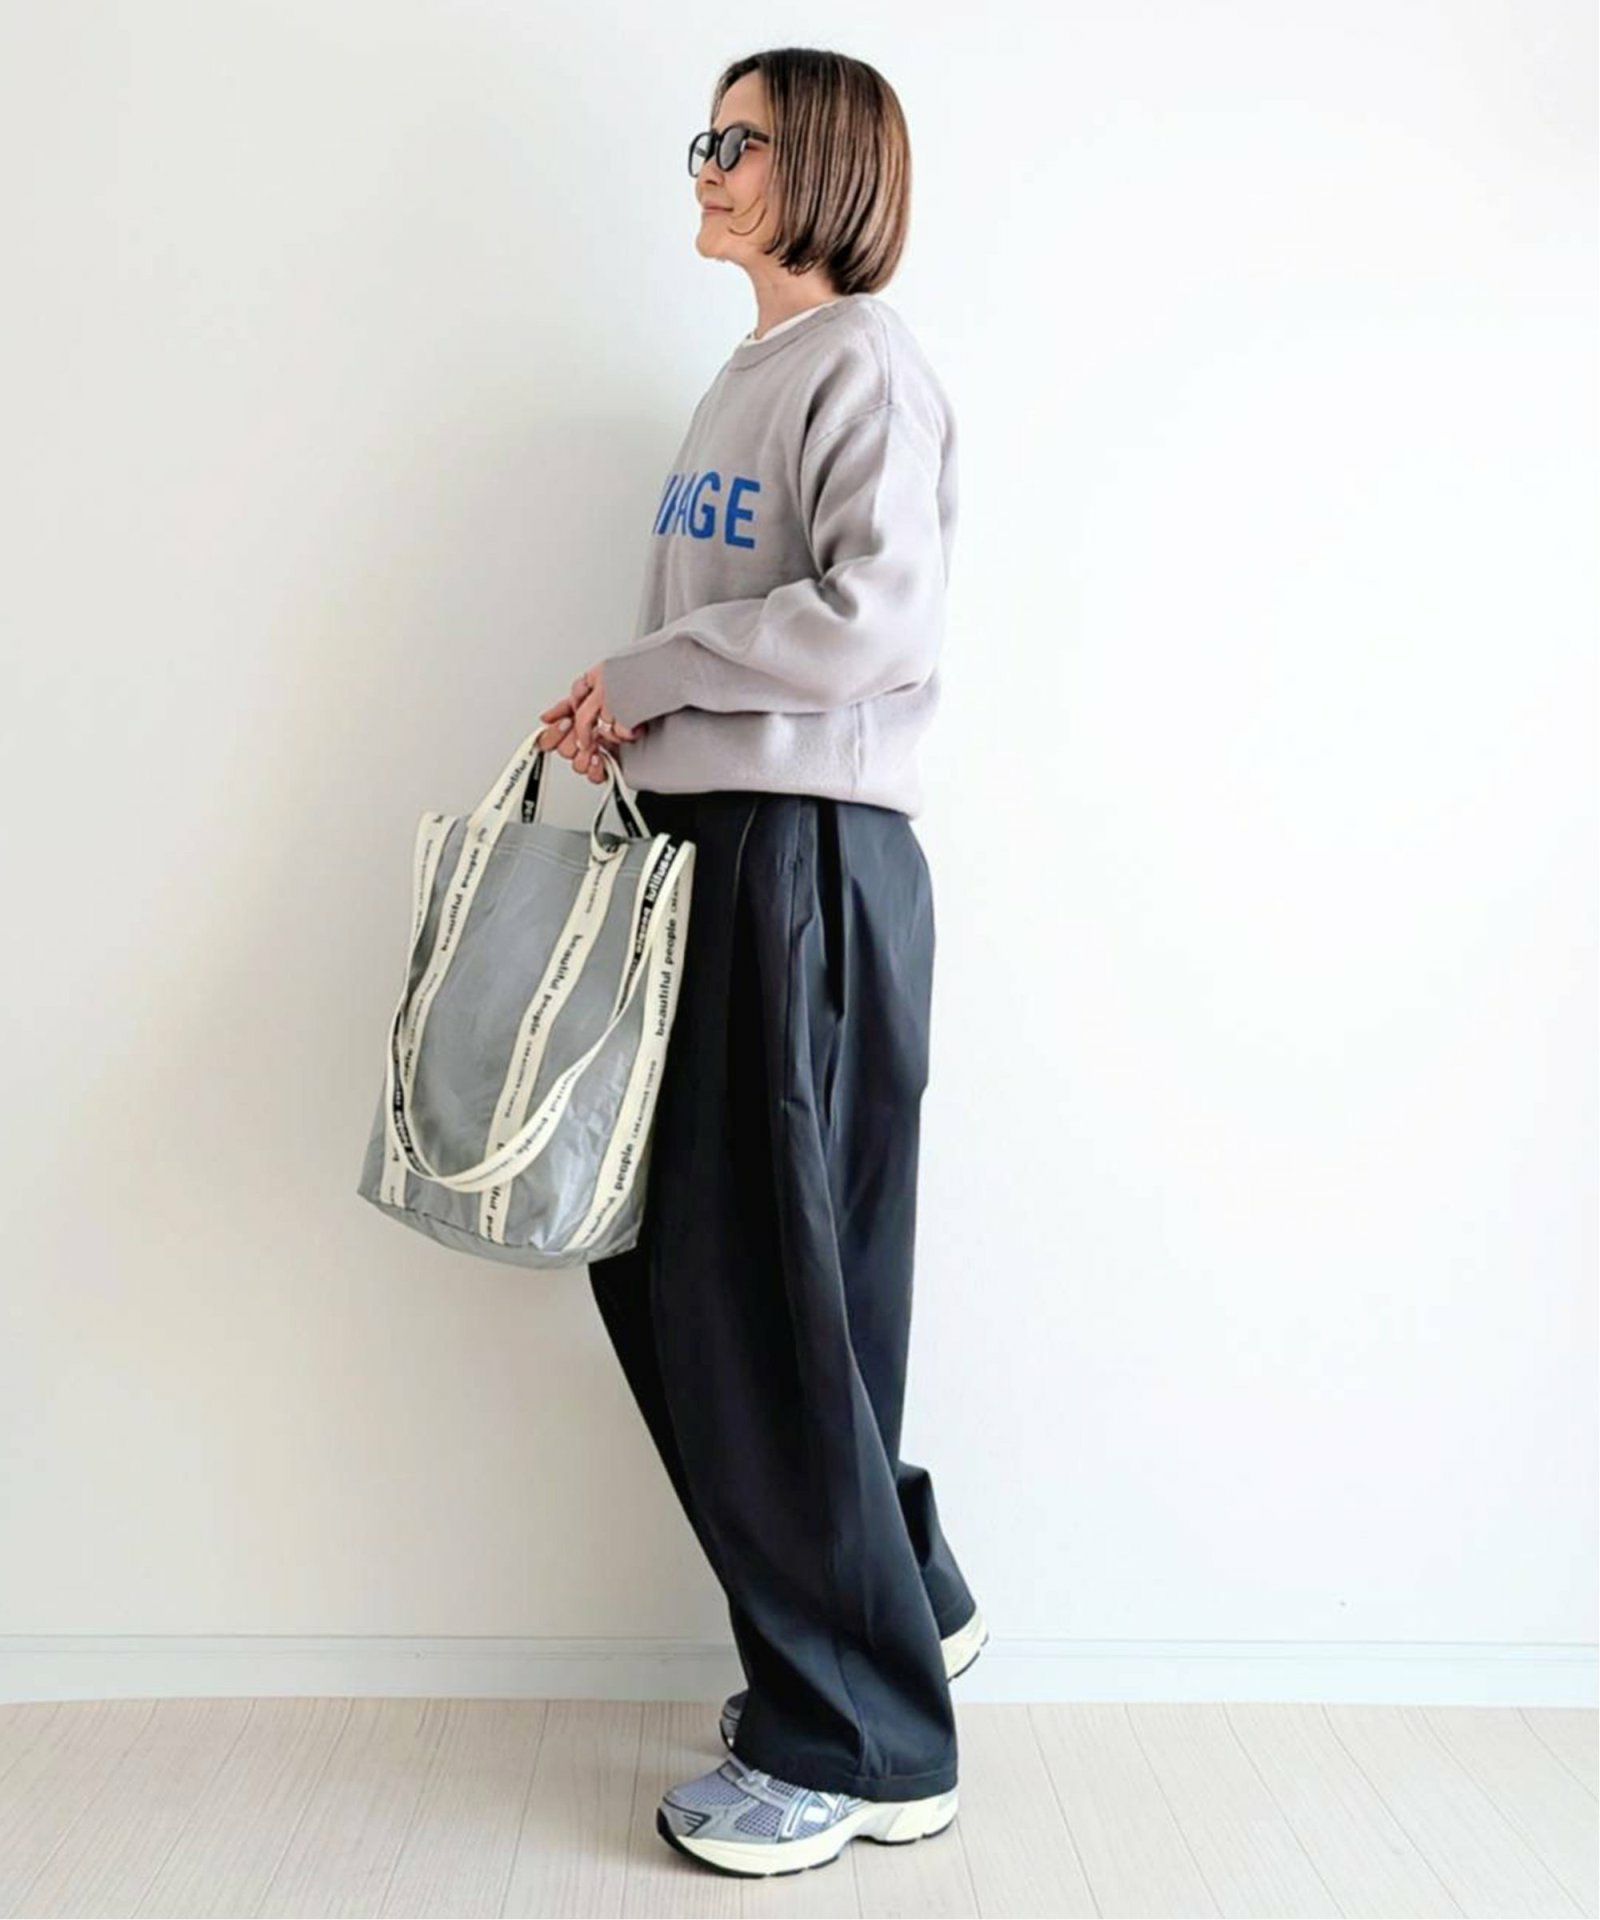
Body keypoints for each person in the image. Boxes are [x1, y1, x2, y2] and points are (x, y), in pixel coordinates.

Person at [535, 46, 987, 1879]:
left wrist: (649, 677)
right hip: (730, 853)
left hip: (806, 861)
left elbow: (878, 623)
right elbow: (748, 637)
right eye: (706, 137)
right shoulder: (751, 374)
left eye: (744, 140)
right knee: (720, 1280)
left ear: (831, 167)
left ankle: (860, 1739)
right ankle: (898, 1593)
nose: (709, 165)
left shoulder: (863, 362)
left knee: (754, 1295)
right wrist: (635, 714)